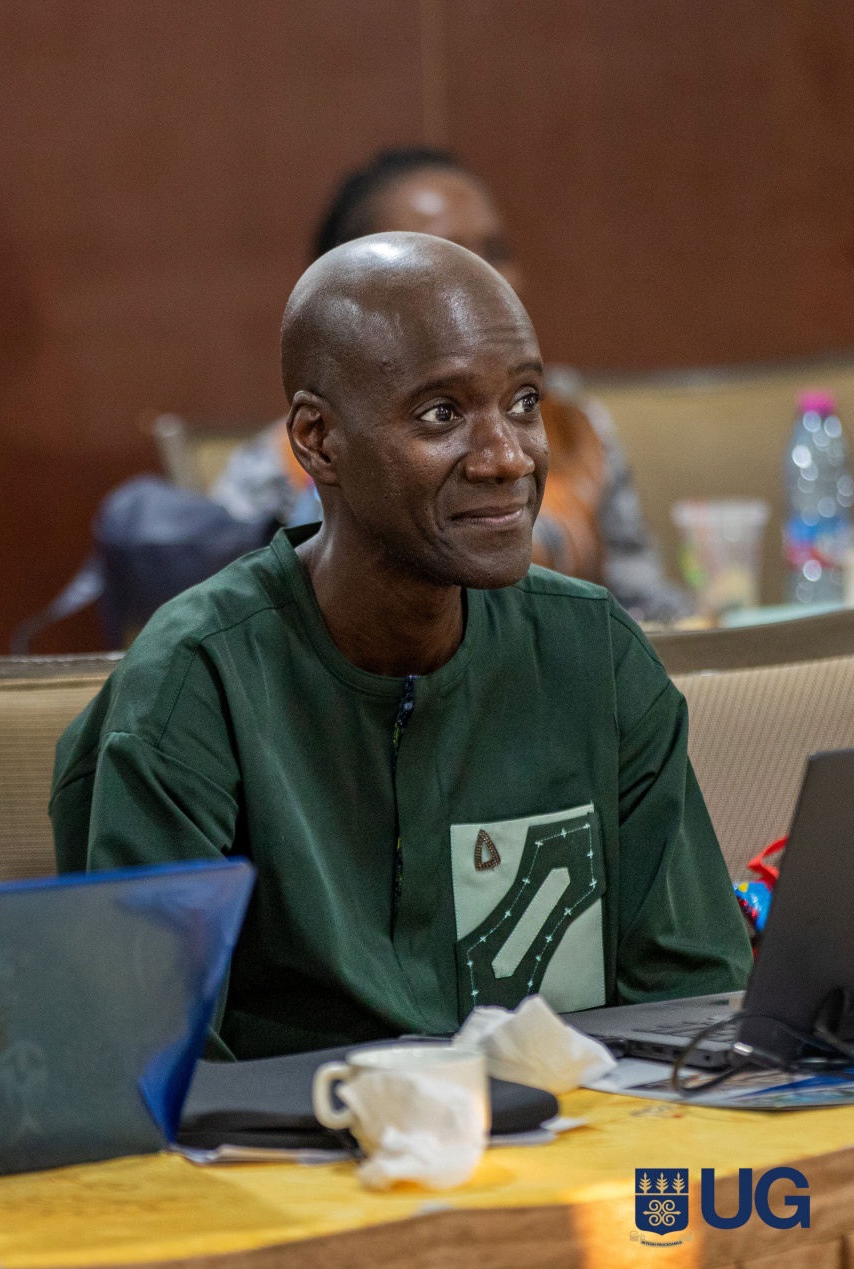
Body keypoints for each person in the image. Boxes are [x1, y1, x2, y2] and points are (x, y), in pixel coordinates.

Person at [53, 234, 749, 1059]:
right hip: (301, 1165)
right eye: (441, 414)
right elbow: (155, 1064)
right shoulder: (200, 684)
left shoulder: (592, 654)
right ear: (317, 440)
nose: (507, 457)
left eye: (523, 402)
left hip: (577, 1155)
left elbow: (697, 1004)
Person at [211, 147, 691, 623]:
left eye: (495, 252)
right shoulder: (276, 473)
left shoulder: (572, 429)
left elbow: (644, 609)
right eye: (443, 254)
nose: (486, 280)